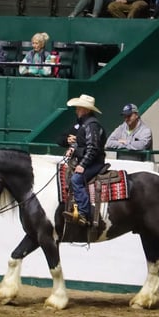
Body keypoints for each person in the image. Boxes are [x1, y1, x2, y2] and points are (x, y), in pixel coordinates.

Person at [62, 94, 107, 226]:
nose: (77, 111)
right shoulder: (86, 124)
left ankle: (84, 213)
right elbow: (82, 143)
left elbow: (93, 148)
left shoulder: (91, 125)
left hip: (94, 163)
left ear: (86, 110)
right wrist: (73, 148)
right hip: (90, 161)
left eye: (79, 108)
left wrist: (83, 164)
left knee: (76, 179)